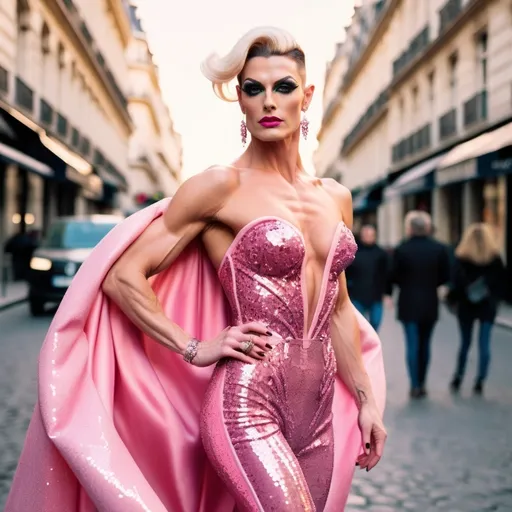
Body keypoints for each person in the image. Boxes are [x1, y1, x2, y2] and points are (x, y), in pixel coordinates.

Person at [6, 27, 386, 512]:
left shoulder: (336, 197)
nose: (269, 100)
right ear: (241, 102)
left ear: (306, 96)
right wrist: (195, 346)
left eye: (284, 87)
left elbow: (338, 309)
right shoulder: (219, 187)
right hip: (248, 405)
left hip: (317, 420)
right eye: (253, 88)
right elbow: (124, 276)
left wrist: (367, 400)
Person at [389, 210, 450, 399]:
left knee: (412, 345)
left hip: (408, 302)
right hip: (430, 303)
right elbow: (444, 277)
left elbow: (394, 276)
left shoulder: (402, 249)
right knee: (425, 344)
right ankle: (422, 382)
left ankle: (414, 384)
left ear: (410, 228)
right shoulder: (439, 249)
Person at [446, 223, 506, 395]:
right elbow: (502, 283)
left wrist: (453, 300)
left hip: (466, 306)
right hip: (487, 306)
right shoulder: (495, 258)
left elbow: (455, 283)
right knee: (484, 343)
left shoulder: (461, 257)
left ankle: (458, 377)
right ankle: (480, 380)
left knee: (465, 343)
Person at [346, 224, 390, 332]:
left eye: (371, 235)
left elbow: (387, 275)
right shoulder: (353, 252)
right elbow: (346, 274)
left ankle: (372, 348)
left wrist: (388, 294)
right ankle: (360, 348)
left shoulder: (381, 254)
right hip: (356, 296)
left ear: (375, 236)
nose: (368, 237)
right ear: (361, 236)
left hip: (376, 297)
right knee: (358, 327)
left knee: (375, 325)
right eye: (366, 234)